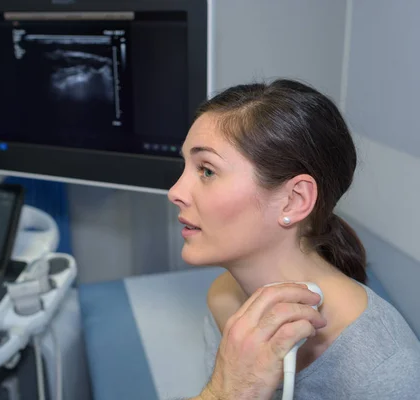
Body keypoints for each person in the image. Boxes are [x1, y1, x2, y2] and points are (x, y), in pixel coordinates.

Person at [167, 79, 420, 399]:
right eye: (185, 166)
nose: (175, 192)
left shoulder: (384, 369)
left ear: (294, 201)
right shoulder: (226, 300)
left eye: (206, 171)